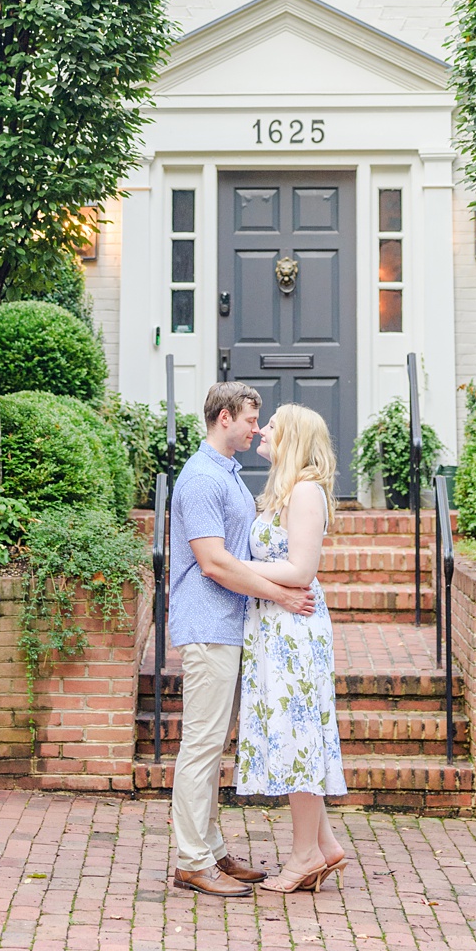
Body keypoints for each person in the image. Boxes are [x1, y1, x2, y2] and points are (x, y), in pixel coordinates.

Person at [167, 380, 316, 898]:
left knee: (213, 746)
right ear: (225, 417)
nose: (258, 428)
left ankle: (211, 849)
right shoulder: (201, 479)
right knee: (201, 745)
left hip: (233, 626)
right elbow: (212, 563)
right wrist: (279, 594)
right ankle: (192, 860)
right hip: (209, 625)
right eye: (252, 419)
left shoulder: (228, 473)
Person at [237, 402, 348, 892]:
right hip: (274, 626)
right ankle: (324, 847)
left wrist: (236, 570)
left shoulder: (304, 492)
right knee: (293, 730)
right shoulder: (284, 489)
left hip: (293, 630)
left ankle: (303, 857)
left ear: (293, 439)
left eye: (272, 426)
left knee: (298, 735)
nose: (262, 430)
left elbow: (302, 571)